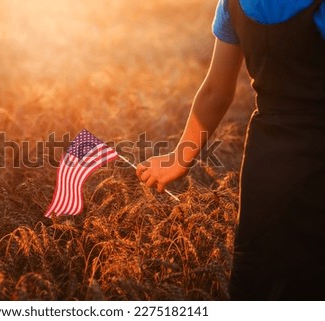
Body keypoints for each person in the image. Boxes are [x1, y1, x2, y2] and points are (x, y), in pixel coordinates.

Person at [136, 0, 325, 300]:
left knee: (259, 282)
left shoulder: (234, 3)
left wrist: (180, 159)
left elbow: (215, 91)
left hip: (265, 164)